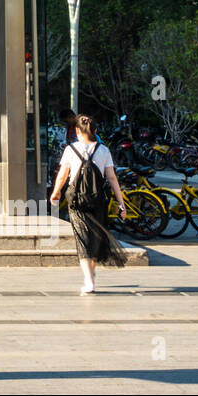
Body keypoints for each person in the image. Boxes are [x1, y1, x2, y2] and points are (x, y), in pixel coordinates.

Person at [48, 114, 129, 295]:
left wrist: (56, 192)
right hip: (99, 199)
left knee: (82, 239)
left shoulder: (70, 149)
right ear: (95, 131)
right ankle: (91, 274)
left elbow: (62, 175)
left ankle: (88, 280)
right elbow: (112, 178)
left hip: (77, 200)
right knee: (96, 237)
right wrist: (121, 203)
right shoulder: (104, 150)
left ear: (77, 131)